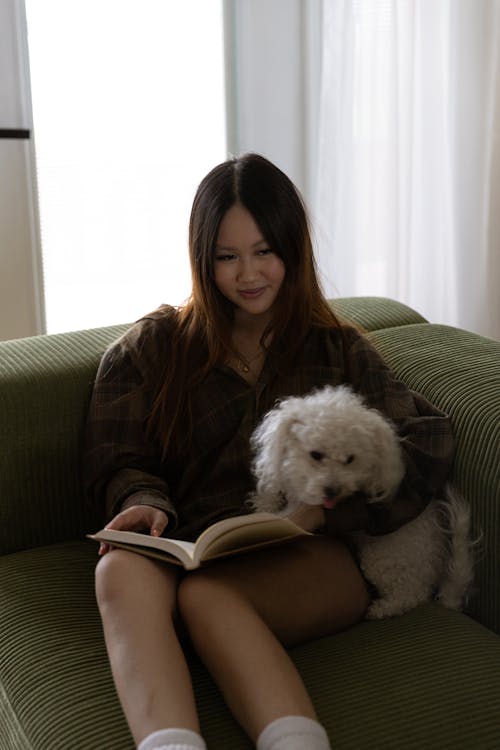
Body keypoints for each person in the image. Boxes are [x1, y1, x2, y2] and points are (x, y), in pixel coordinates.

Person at [84, 153, 454, 750]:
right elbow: (117, 456)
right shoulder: (149, 350)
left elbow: (426, 441)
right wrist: (140, 500)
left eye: (265, 251)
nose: (248, 273)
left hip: (307, 556)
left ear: (293, 249)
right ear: (203, 260)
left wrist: (327, 512)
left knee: (209, 598)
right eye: (227, 257)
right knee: (117, 568)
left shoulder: (339, 350)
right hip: (187, 546)